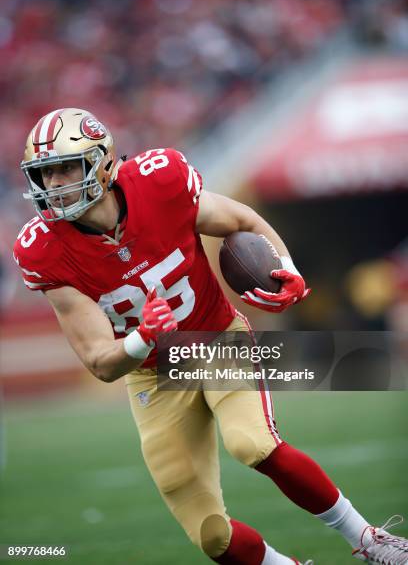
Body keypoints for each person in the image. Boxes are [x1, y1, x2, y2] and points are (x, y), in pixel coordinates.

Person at [13, 108, 408, 565]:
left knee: (252, 444)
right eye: (46, 173)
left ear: (101, 162)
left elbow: (240, 221)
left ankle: (370, 540)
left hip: (214, 338)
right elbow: (100, 360)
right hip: (150, 372)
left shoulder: (159, 181)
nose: (56, 184)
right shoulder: (42, 249)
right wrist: (143, 338)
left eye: (66, 168)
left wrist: (288, 268)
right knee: (211, 536)